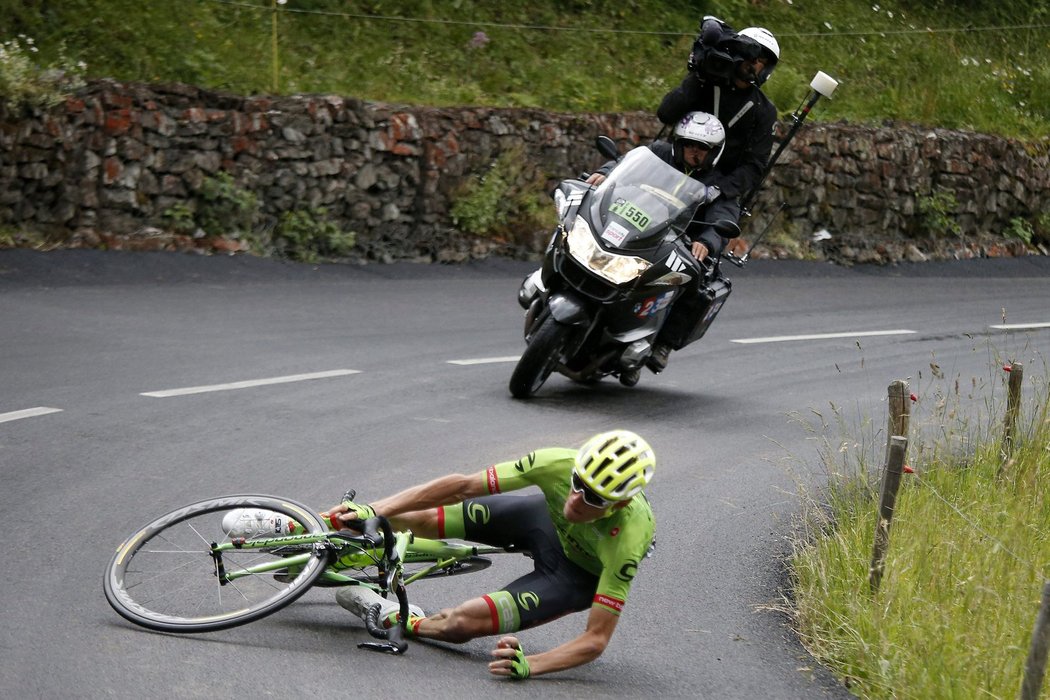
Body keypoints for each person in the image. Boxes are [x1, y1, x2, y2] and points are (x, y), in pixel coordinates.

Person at [325, 429, 656, 680]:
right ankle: (310, 527)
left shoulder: (629, 539)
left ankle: (397, 616)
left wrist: (532, 666)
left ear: (621, 504)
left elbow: (596, 639)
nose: (575, 500)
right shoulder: (557, 462)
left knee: (460, 623)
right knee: (428, 517)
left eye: (594, 499)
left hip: (573, 574)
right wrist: (374, 509)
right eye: (577, 483)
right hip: (541, 521)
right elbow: (463, 486)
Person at [646, 17, 780, 371]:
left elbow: (754, 167)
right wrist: (697, 75)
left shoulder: (764, 112)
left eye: (764, 61)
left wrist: (719, 189)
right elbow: (666, 112)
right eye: (753, 56)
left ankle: (663, 342)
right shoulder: (706, 82)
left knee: (703, 266)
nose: (757, 65)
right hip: (675, 167)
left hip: (721, 189)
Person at [587, 111, 735, 378]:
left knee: (694, 283)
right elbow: (623, 166)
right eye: (689, 145)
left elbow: (723, 218)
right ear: (678, 143)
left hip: (676, 242)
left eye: (703, 148)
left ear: (714, 153)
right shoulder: (657, 152)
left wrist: (706, 241)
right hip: (632, 222)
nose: (694, 152)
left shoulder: (719, 183)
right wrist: (603, 173)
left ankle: (658, 343)